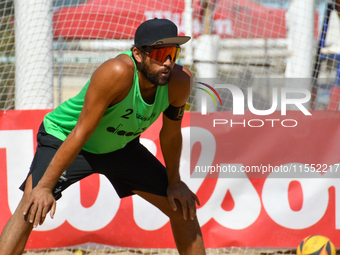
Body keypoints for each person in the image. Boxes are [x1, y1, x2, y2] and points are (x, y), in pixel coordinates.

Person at [0, 18, 206, 255]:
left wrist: (175, 182)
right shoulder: (117, 72)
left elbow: (170, 136)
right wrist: (45, 187)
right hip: (67, 138)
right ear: (138, 54)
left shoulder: (180, 82)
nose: (168, 63)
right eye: (161, 53)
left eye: (174, 53)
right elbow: (80, 132)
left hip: (118, 147)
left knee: (182, 208)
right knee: (30, 205)